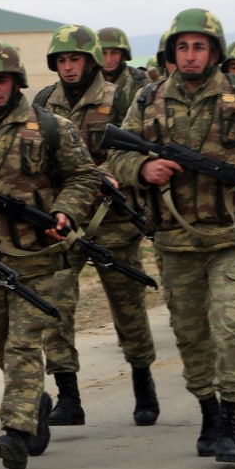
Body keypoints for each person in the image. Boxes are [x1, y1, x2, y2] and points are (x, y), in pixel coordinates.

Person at [108, 8, 235, 466]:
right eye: (182, 47)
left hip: (232, 233)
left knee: (231, 326)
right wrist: (141, 168)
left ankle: (231, 424)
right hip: (174, 238)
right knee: (191, 335)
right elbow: (114, 156)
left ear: (214, 51)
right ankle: (208, 415)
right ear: (172, 52)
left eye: (199, 47)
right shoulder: (148, 98)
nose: (190, 56)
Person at [0, 42, 99, 469]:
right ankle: (33, 399)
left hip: (37, 255)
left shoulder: (49, 125)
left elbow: (84, 176)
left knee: (24, 344)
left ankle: (16, 431)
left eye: (0, 79)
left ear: (16, 81)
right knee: (2, 342)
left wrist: (65, 211)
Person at [35, 25, 161, 427]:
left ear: (91, 61)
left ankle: (143, 381)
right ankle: (68, 396)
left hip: (113, 220)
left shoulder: (121, 96)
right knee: (55, 307)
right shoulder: (43, 102)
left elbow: (138, 144)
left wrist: (108, 173)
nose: (68, 68)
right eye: (62, 60)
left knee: (128, 308)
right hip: (63, 221)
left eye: (75, 59)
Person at [97, 26, 147, 110]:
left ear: (123, 55)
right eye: (103, 53)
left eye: (114, 53)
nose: (109, 60)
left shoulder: (142, 82)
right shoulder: (88, 83)